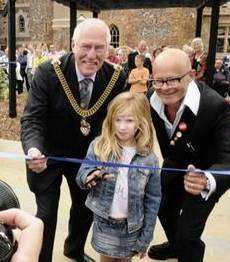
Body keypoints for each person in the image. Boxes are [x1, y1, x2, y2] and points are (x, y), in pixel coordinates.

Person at [20, 18, 126, 262]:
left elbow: (120, 122)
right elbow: (32, 118)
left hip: (88, 158)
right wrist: (33, 148)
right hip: (47, 155)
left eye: (99, 48)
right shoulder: (48, 72)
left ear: (108, 49)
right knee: (46, 214)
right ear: (73, 45)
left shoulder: (117, 78)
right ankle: (42, 258)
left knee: (85, 209)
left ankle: (74, 250)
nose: (92, 55)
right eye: (85, 46)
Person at [147, 48, 230, 262]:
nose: (164, 88)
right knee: (162, 208)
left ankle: (187, 249)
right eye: (158, 81)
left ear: (191, 75)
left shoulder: (214, 105)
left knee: (188, 233)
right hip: (174, 165)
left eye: (173, 80)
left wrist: (206, 179)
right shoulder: (150, 99)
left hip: (204, 174)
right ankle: (175, 246)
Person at [76, 92, 161, 262]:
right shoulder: (99, 146)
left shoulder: (149, 159)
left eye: (129, 120)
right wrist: (89, 177)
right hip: (104, 224)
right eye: (118, 120)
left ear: (141, 122)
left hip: (132, 227)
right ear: (111, 120)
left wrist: (146, 236)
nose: (122, 127)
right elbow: (81, 176)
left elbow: (153, 200)